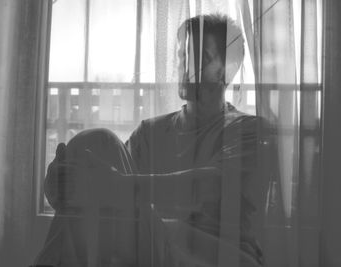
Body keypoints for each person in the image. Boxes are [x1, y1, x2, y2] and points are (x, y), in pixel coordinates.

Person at [35, 14, 265, 267]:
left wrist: (116, 185)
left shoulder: (247, 129)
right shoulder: (151, 132)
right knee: (95, 142)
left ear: (226, 72)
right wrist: (59, 185)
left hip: (215, 258)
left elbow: (213, 186)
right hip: (154, 249)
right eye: (183, 55)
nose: (186, 66)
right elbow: (101, 190)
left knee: (98, 146)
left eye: (203, 57)